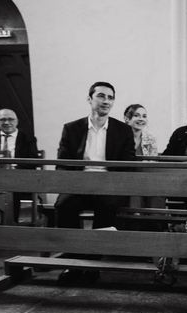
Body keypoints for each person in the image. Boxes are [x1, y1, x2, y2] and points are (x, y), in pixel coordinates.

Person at [54, 81, 136, 283]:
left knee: (107, 207)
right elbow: (62, 163)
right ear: (89, 99)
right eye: (101, 96)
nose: (106, 101)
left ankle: (93, 264)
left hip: (108, 185)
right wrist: (77, 181)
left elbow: (128, 164)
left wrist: (109, 182)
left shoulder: (122, 130)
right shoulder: (72, 128)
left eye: (110, 97)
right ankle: (73, 263)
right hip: (78, 184)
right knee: (63, 206)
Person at [0, 108, 40, 222]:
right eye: (2, 119)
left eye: (10, 119)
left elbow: (33, 161)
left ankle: (18, 222)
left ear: (17, 121)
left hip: (19, 176)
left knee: (19, 190)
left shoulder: (28, 138)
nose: (7, 122)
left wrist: (13, 169)